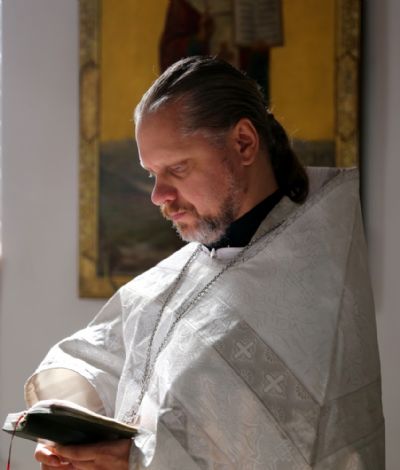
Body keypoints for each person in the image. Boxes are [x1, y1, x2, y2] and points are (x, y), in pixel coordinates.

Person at [29, 56, 384, 469]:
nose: (158, 196)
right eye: (152, 174)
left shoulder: (314, 285)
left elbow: (283, 449)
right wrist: (69, 427)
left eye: (177, 168)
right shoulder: (192, 265)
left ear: (244, 143)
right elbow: (103, 356)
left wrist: (134, 461)